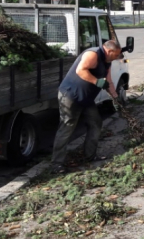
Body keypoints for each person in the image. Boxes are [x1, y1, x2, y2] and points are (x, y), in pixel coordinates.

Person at [51, 40, 123, 173]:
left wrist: (115, 97)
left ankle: (90, 156)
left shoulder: (107, 61)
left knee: (95, 123)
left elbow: (108, 81)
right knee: (67, 128)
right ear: (109, 51)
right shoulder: (93, 54)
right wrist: (96, 81)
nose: (118, 57)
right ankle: (56, 164)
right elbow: (80, 70)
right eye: (116, 55)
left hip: (86, 98)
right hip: (70, 96)